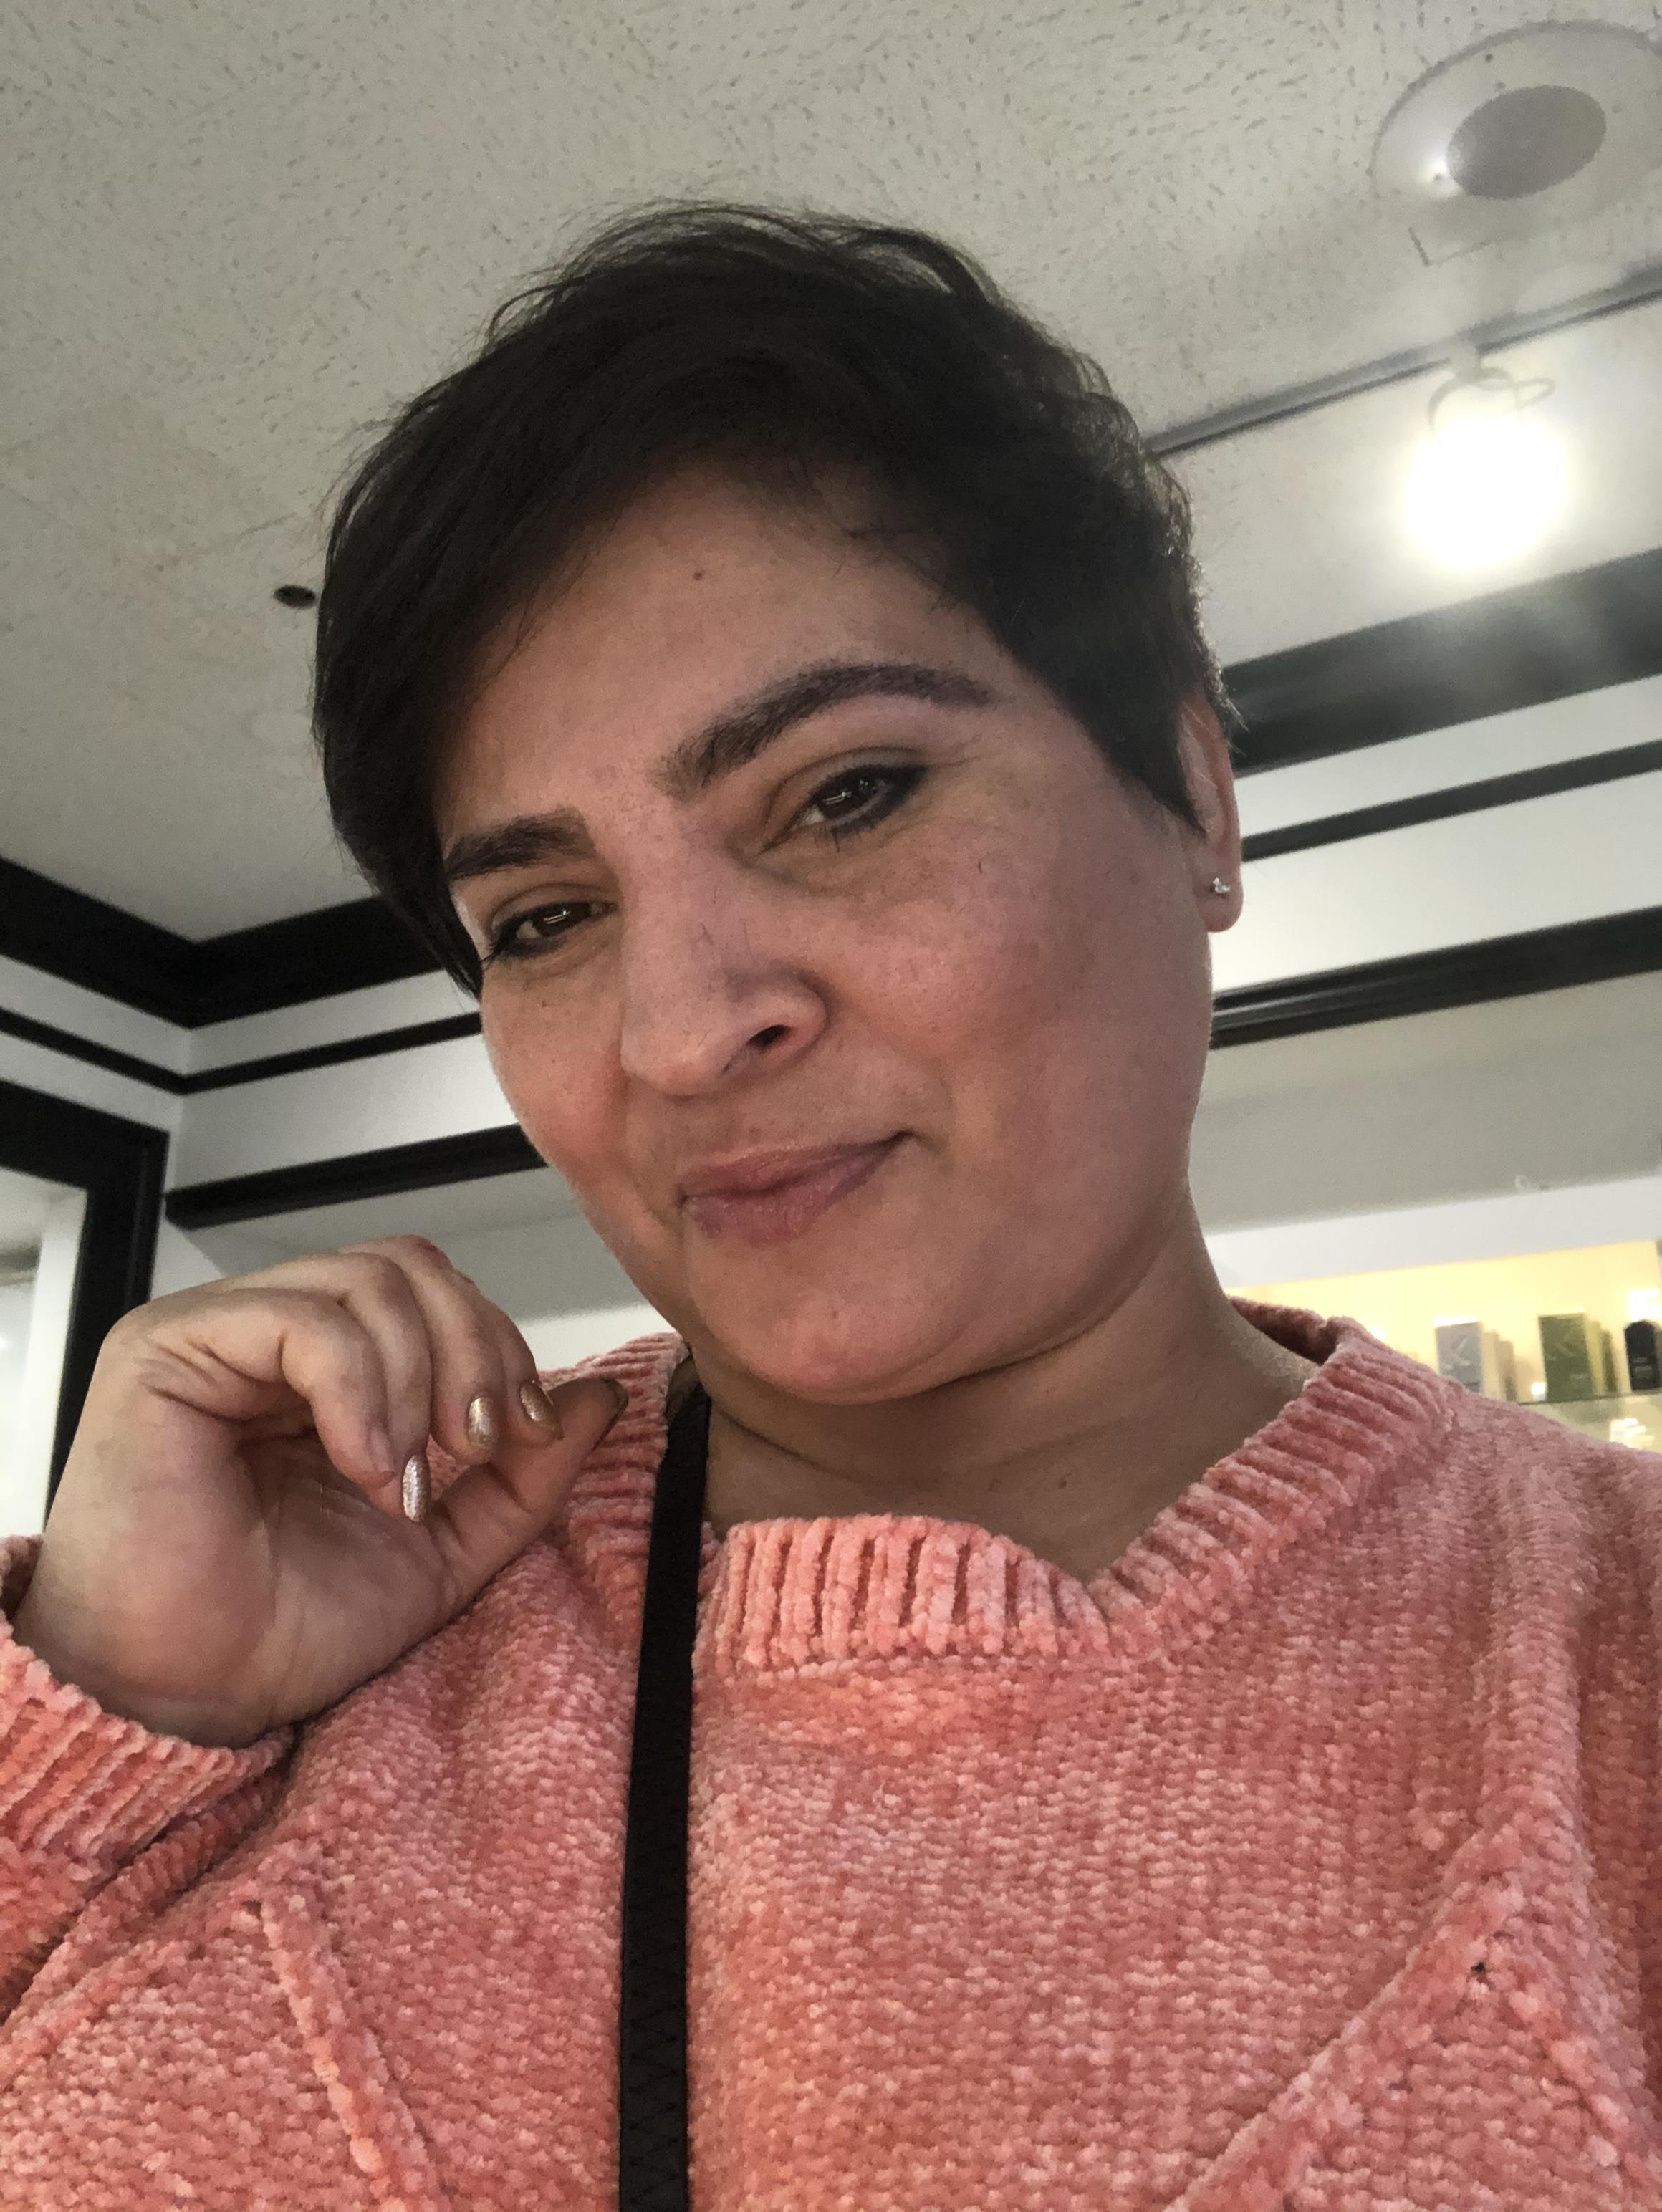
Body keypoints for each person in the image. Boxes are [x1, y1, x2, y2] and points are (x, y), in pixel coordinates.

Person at [2, 206, 1658, 2212]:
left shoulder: (1610, 1644)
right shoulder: (282, 1642)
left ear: (1198, 799)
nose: (683, 1034)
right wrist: (104, 1724)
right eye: (547, 918)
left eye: (847, 793)